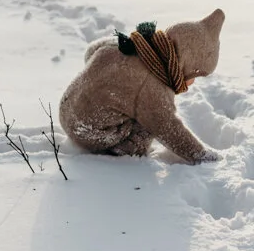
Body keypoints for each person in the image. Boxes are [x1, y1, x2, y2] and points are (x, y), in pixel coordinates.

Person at [59, 9, 226, 163]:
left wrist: (100, 82)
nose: (193, 82)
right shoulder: (152, 85)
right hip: (90, 133)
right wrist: (201, 155)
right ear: (186, 64)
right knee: (148, 124)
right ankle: (124, 152)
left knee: (136, 106)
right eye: (194, 75)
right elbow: (168, 128)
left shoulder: (131, 44)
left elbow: (91, 50)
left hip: (66, 109)